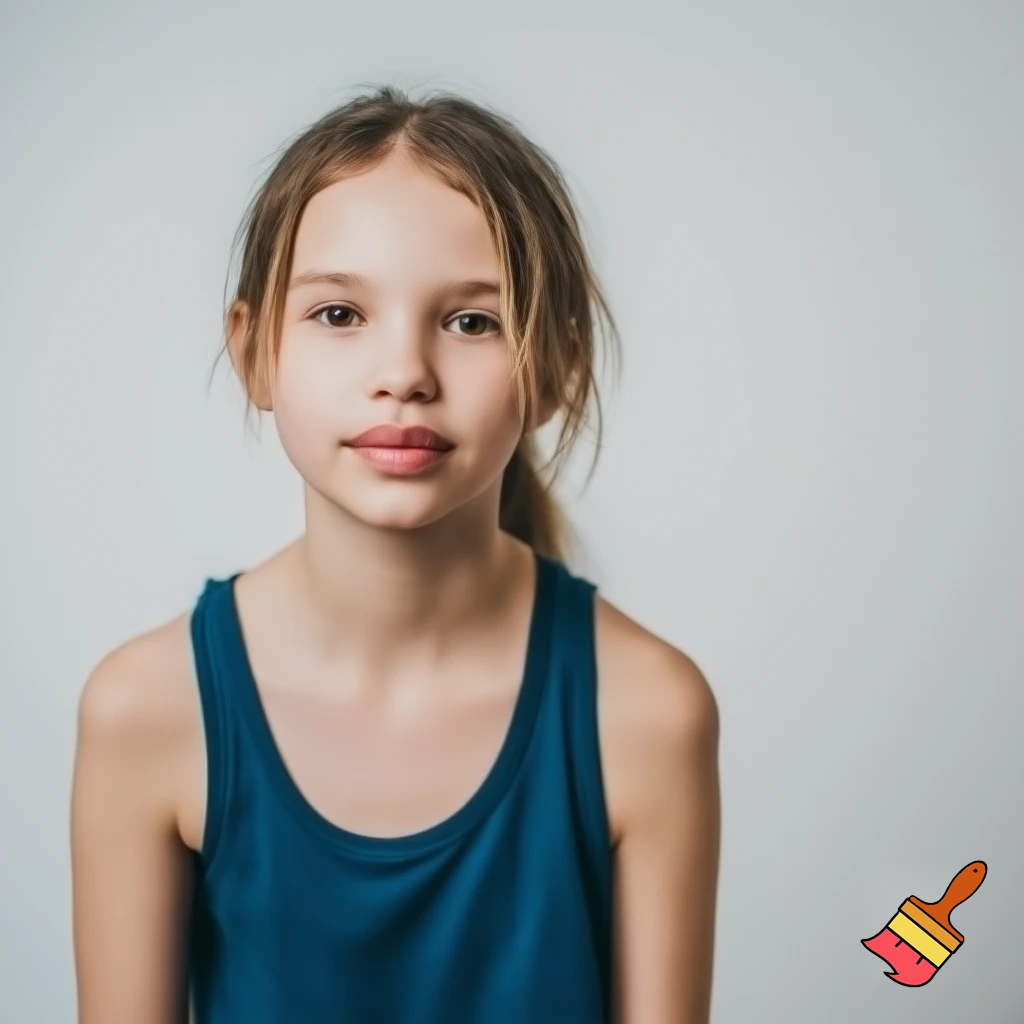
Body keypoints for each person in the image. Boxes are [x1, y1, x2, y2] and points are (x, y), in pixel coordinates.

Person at [70, 84, 721, 1024]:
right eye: (340, 315)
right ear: (254, 353)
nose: (404, 374)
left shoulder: (649, 711)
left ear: (558, 368)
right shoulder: (146, 709)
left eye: (471, 321)